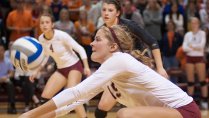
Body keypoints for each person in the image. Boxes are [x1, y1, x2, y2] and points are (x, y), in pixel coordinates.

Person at [19, 25, 201, 118]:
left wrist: (30, 114)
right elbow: (76, 101)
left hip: (185, 112)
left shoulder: (119, 60)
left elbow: (76, 92)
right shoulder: (109, 70)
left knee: (124, 114)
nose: (91, 43)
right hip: (169, 114)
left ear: (113, 46)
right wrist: (42, 116)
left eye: (97, 39)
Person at [95, 0, 168, 117]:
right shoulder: (102, 31)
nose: (106, 13)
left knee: (142, 108)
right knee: (102, 106)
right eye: (104, 10)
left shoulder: (129, 25)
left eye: (110, 10)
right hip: (121, 72)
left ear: (118, 13)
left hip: (140, 68)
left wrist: (160, 68)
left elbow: (152, 42)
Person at [29, 12, 91, 118]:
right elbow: (45, 55)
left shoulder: (62, 35)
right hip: (61, 69)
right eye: (42, 23)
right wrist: (37, 70)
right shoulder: (41, 39)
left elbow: (80, 49)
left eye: (47, 22)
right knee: (44, 98)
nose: (44, 25)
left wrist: (86, 66)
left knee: (72, 96)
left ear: (52, 24)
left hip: (74, 66)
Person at [182, 17, 208, 110]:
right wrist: (195, 48)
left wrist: (191, 46)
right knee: (190, 82)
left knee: (202, 81)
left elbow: (202, 46)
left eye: (195, 22)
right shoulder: (187, 34)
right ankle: (190, 103)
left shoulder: (202, 33)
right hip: (189, 58)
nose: (194, 24)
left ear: (199, 23)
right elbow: (184, 48)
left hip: (199, 58)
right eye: (192, 22)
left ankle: (204, 101)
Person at [0, 43, 16, 114]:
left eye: (1, 50)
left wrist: (6, 77)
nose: (0, 52)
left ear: (4, 51)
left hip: (5, 80)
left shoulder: (8, 61)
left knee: (10, 84)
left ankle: (12, 106)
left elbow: (12, 73)